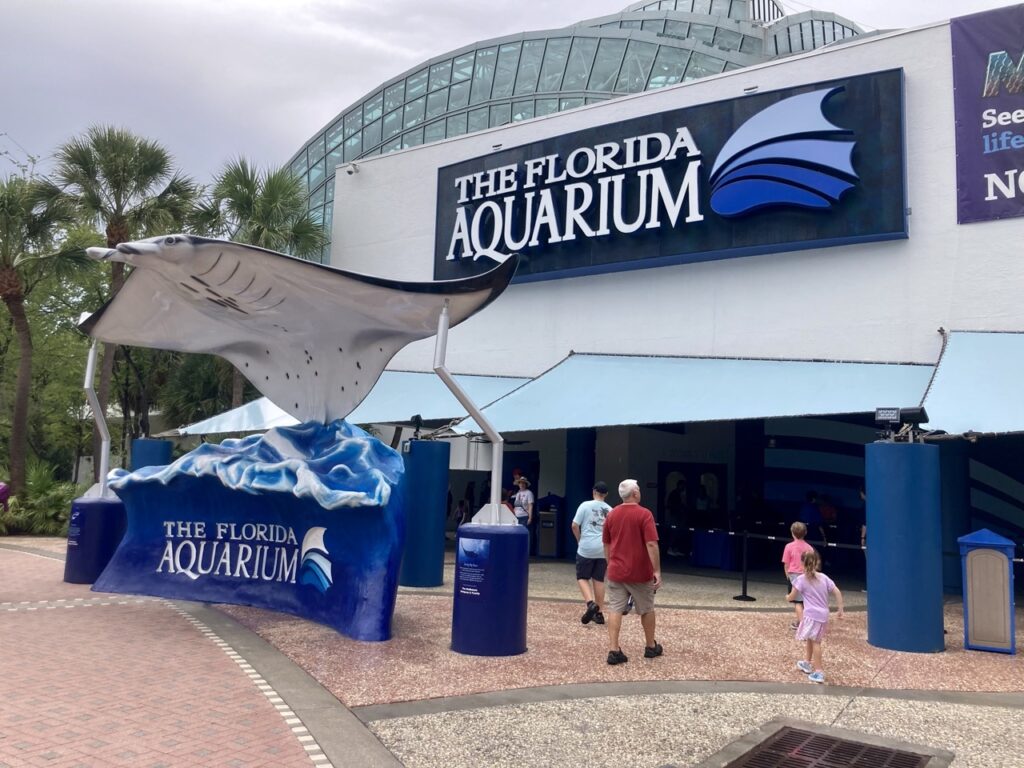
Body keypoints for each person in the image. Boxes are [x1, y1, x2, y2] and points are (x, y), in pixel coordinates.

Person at [601, 478, 662, 665]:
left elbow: (606, 543)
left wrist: (610, 563)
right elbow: (651, 543)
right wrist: (657, 570)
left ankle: (614, 649)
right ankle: (650, 646)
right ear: (635, 493)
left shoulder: (611, 515)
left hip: (617, 570)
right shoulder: (645, 515)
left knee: (615, 608)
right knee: (646, 608)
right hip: (640, 571)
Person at [787, 548, 844, 684]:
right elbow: (837, 592)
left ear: (802, 563)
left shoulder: (801, 580)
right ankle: (807, 662)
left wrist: (787, 597)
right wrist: (840, 609)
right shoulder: (824, 578)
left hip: (811, 615)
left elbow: (792, 597)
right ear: (817, 562)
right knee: (811, 638)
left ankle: (819, 671)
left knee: (816, 642)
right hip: (823, 615)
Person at [572, 481, 612, 626]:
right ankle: (599, 614)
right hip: (602, 549)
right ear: (606, 494)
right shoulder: (611, 510)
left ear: (594, 491)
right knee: (599, 579)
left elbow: (574, 525)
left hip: (586, 547)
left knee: (582, 577)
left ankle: (590, 604)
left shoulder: (585, 505)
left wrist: (579, 540)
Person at [782, 521, 814, 630]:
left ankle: (803, 625)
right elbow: (811, 564)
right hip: (807, 576)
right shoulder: (809, 548)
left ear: (792, 533)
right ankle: (801, 620)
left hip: (794, 576)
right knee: (804, 601)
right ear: (805, 532)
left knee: (797, 602)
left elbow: (786, 564)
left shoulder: (788, 546)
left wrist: (788, 576)